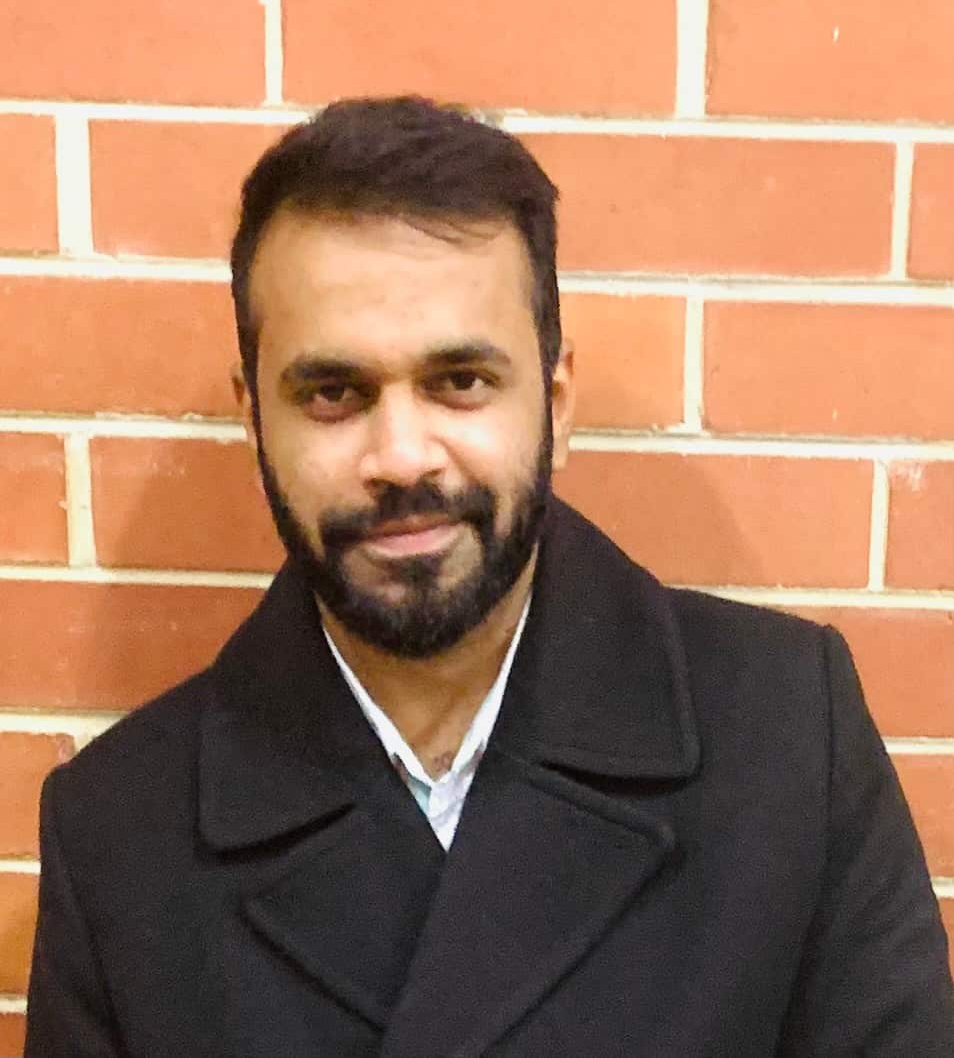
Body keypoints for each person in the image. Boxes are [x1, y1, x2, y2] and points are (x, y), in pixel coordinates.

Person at [25, 96, 954, 1058]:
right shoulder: (119, 835)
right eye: (334, 393)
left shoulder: (790, 741)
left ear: (555, 401)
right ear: (254, 416)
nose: (402, 456)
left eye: (459, 380)